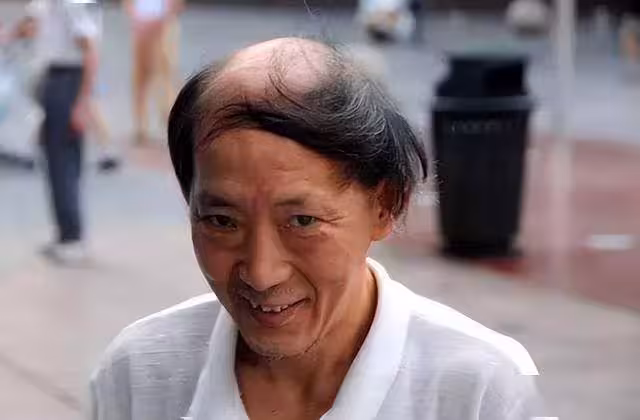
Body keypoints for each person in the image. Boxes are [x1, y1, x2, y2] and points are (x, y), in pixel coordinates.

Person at [90, 38, 542, 420]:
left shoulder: (478, 390)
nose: (261, 274)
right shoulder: (139, 374)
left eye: (302, 221)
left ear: (385, 205)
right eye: (221, 221)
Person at [9, 0, 100, 263]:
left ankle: (72, 237)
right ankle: (64, 233)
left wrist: (82, 103)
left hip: (67, 80)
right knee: (54, 159)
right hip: (52, 78)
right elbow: (32, 24)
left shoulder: (71, 3)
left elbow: (90, 49)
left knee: (63, 161)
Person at [124, 0, 183, 146]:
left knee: (164, 76)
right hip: (140, 27)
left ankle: (171, 121)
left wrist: (163, 19)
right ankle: (141, 126)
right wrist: (135, 17)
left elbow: (176, 4)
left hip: (163, 26)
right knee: (140, 76)